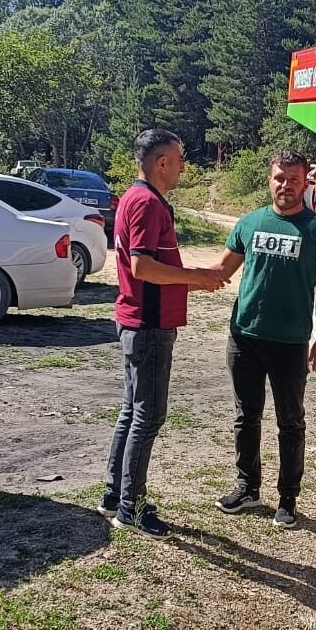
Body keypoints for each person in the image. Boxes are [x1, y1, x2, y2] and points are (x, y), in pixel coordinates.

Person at [100, 128, 227, 537]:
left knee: (131, 411)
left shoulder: (136, 198)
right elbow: (143, 267)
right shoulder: (148, 204)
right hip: (148, 325)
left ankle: (114, 494)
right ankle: (130, 508)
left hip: (139, 321)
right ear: (162, 163)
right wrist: (196, 277)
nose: (183, 166)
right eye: (180, 159)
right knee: (148, 416)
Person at [212, 149, 316, 529]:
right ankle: (248, 488)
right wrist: (169, 275)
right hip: (245, 337)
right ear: (270, 179)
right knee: (245, 417)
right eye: (279, 178)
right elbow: (220, 269)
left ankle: (288, 498)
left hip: (290, 342)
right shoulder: (250, 223)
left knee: (290, 421)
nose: (285, 185)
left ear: (306, 183)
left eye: (294, 179)